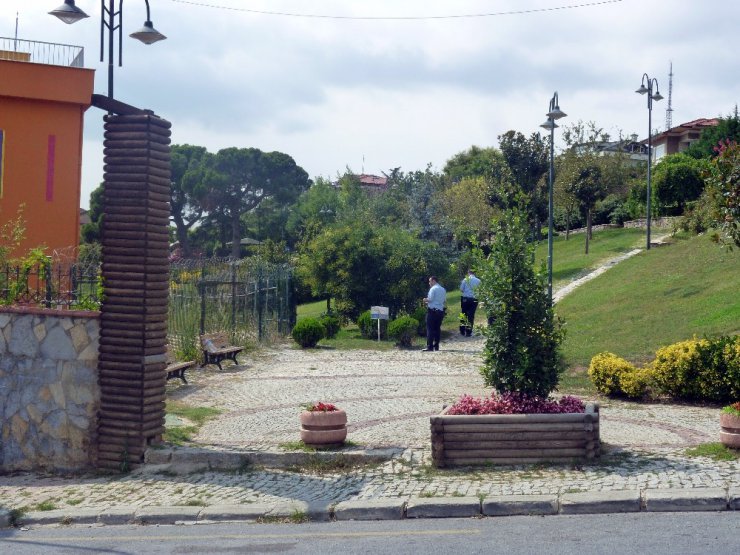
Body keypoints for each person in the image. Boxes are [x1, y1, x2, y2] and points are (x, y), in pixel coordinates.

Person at [423, 275, 446, 351]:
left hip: (432, 311)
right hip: (440, 311)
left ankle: (429, 346)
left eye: (430, 281)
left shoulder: (433, 289)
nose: (429, 283)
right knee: (437, 329)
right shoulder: (443, 289)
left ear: (433, 281)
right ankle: (436, 346)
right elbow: (444, 300)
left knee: (430, 329)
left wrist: (425, 300)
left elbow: (430, 299)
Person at [459, 269, 481, 337]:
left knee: (463, 314)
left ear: (468, 273)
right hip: (474, 299)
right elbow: (480, 290)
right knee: (471, 315)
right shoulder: (478, 280)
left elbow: (461, 289)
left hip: (465, 299)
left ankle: (462, 330)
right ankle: (468, 332)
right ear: (474, 273)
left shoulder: (465, 279)